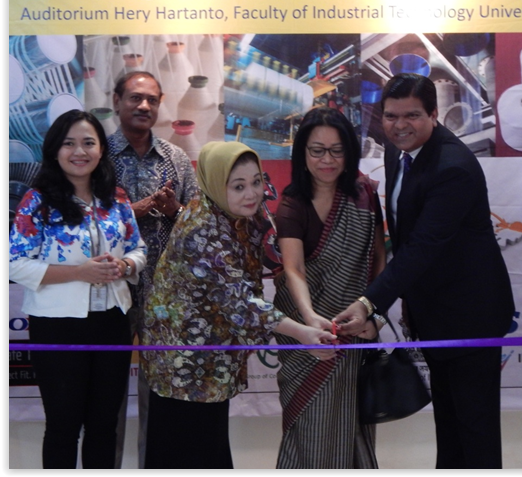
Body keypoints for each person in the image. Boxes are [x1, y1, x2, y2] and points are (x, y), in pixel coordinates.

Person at [335, 73, 515, 469]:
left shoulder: (454, 167)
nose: (400, 126)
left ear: (434, 114)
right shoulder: (394, 150)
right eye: (391, 116)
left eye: (412, 116)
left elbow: (422, 247)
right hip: (434, 314)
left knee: (476, 431)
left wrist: (370, 304)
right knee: (449, 427)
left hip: (471, 319)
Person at [140, 141, 335, 469]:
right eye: (239, 186)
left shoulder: (230, 211)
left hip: (211, 359)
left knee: (212, 448)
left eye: (257, 182)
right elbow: (240, 301)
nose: (252, 194)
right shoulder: (202, 227)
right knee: (186, 453)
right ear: (216, 183)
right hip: (183, 366)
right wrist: (302, 332)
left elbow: (271, 254)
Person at [9, 110, 147, 469]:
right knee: (63, 426)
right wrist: (78, 272)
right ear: (55, 150)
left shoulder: (115, 198)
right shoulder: (36, 201)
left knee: (104, 426)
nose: (79, 151)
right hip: (57, 326)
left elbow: (139, 248)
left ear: (101, 149)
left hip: (113, 322)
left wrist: (126, 265)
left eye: (88, 142)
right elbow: (15, 263)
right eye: (69, 143)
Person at [273, 107, 385, 469]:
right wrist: (310, 323)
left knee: (353, 426)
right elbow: (294, 268)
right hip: (308, 339)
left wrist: (375, 313)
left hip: (354, 333)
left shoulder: (365, 194)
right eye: (317, 150)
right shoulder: (292, 203)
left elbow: (379, 258)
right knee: (310, 430)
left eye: (337, 150)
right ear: (302, 153)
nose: (327, 160)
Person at [107, 70, 198, 468]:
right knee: (106, 397)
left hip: (165, 296)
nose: (144, 106)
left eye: (152, 100)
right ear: (116, 101)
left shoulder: (176, 158)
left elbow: (199, 225)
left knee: (160, 397)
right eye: (135, 98)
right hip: (110, 293)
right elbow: (83, 220)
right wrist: (138, 210)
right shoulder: (96, 156)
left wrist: (174, 211)